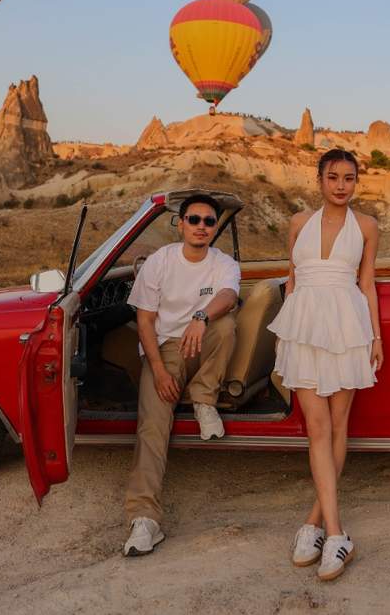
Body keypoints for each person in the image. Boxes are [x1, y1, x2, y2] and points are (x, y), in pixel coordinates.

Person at [267, 149, 382, 581]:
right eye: (332, 177)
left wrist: (376, 336)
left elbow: (366, 284)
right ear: (319, 180)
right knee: (317, 430)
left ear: (356, 182)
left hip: (348, 327)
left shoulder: (367, 227)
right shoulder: (298, 223)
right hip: (305, 327)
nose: (340, 185)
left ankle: (317, 526)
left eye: (348, 178)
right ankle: (335, 533)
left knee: (337, 426)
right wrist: (287, 335)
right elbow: (293, 280)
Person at [122, 193, 240, 556]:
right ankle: (144, 519)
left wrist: (201, 318)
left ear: (214, 227)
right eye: (194, 219)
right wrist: (157, 370)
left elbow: (229, 295)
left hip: (202, 342)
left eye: (208, 221)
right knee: (152, 427)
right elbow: (145, 321)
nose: (201, 226)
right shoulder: (160, 262)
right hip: (165, 350)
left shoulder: (223, 262)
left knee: (225, 325)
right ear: (181, 223)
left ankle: (204, 398)